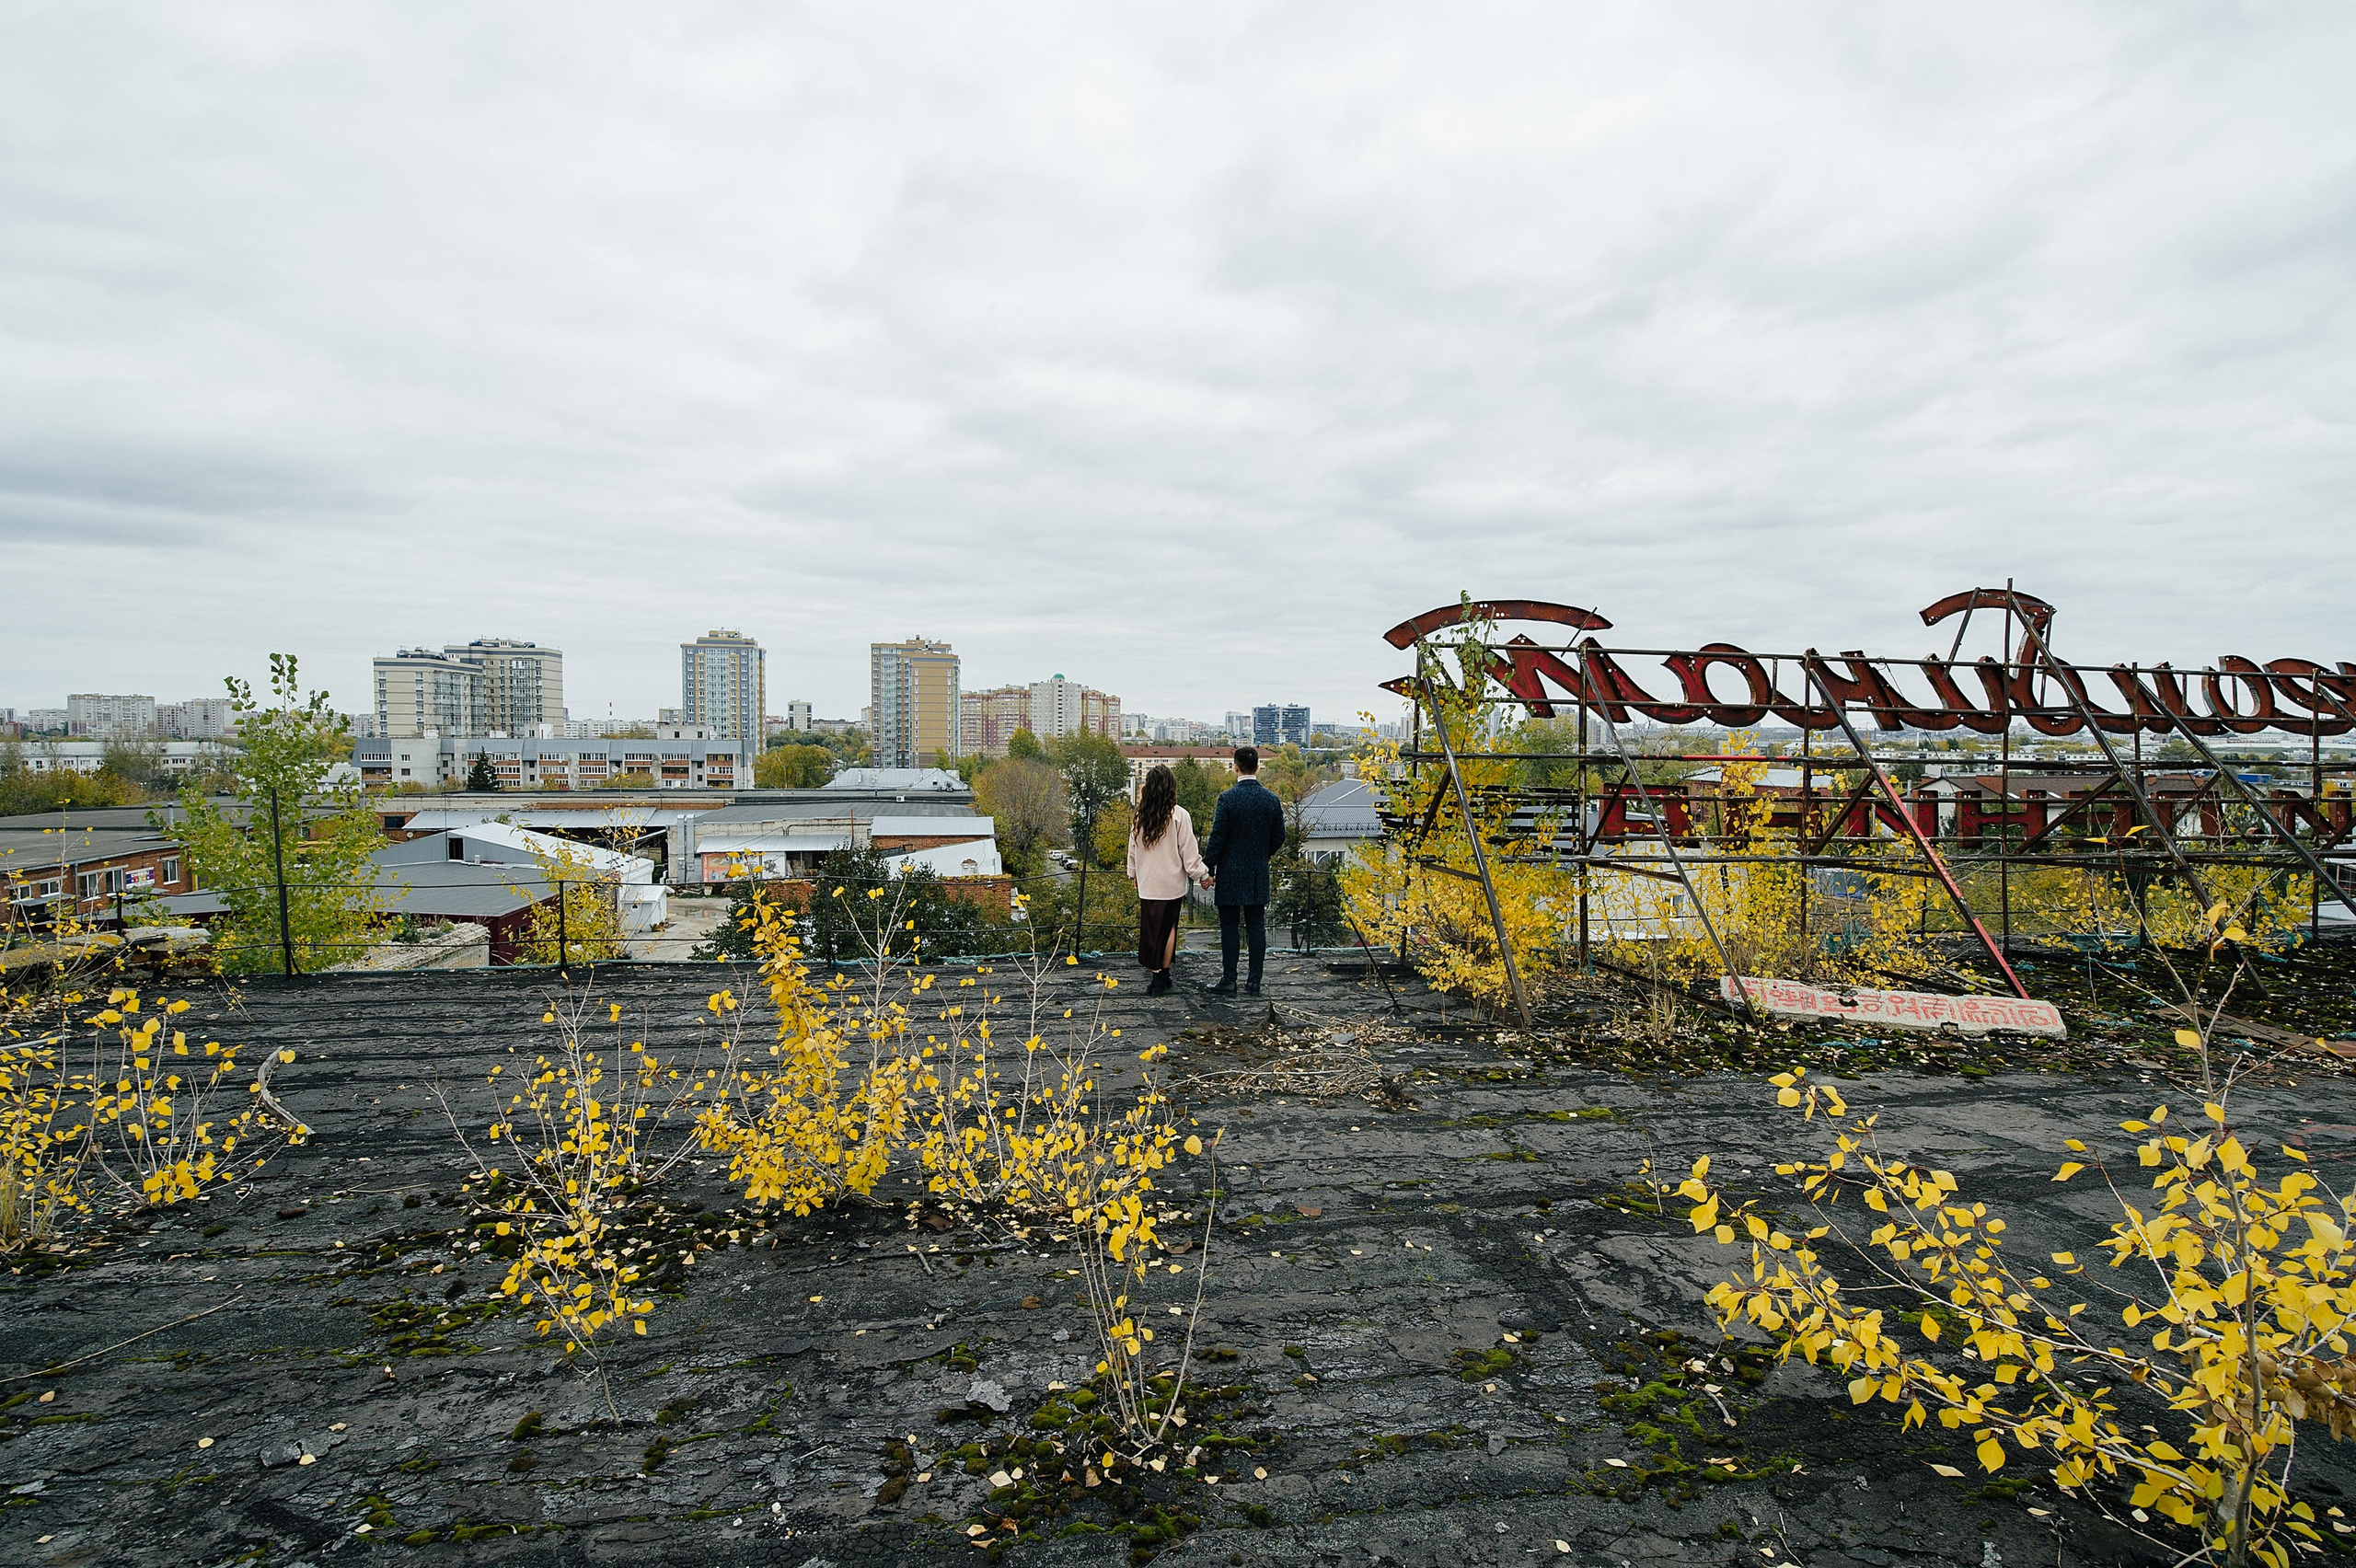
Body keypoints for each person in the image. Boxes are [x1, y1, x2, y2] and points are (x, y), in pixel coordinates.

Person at [1199, 744, 1288, 997]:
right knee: (1256, 926)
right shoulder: (1271, 800)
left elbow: (1217, 837)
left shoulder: (1227, 798)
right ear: (1258, 767)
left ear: (1235, 767)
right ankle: (1255, 981)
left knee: (1229, 926)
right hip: (1257, 871)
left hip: (1230, 871)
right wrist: (1262, 854)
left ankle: (1229, 980)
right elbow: (1279, 836)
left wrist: (1210, 867)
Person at [1125, 763, 1208, 996]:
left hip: (1148, 882)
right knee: (1169, 928)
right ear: (1171, 787)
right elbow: (1189, 853)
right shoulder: (1180, 815)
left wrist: (1134, 873)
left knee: (1151, 930)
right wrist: (1202, 874)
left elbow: (1133, 849)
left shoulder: (1141, 817)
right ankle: (1164, 974)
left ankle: (1157, 977)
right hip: (1172, 883)